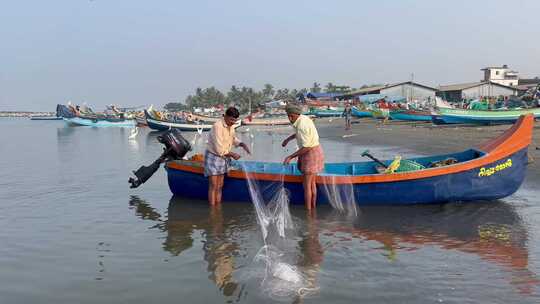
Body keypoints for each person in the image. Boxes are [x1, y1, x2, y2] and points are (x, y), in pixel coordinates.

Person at [205, 107, 251, 205]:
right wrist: (232, 154)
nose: (233, 122)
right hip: (213, 156)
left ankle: (217, 207)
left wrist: (242, 144)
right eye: (231, 120)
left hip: (224, 157)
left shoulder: (232, 126)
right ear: (225, 116)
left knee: (220, 185)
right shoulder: (218, 126)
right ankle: (212, 210)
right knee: (213, 185)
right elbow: (219, 149)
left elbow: (233, 139)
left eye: (235, 120)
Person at [282, 104, 324, 209]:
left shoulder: (301, 125)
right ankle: (313, 207)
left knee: (307, 187)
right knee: (312, 184)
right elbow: (299, 134)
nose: (289, 119)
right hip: (317, 150)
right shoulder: (303, 119)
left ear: (294, 115)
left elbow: (307, 147)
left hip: (310, 154)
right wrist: (288, 139)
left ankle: (309, 213)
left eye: (290, 116)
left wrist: (290, 157)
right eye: (288, 116)